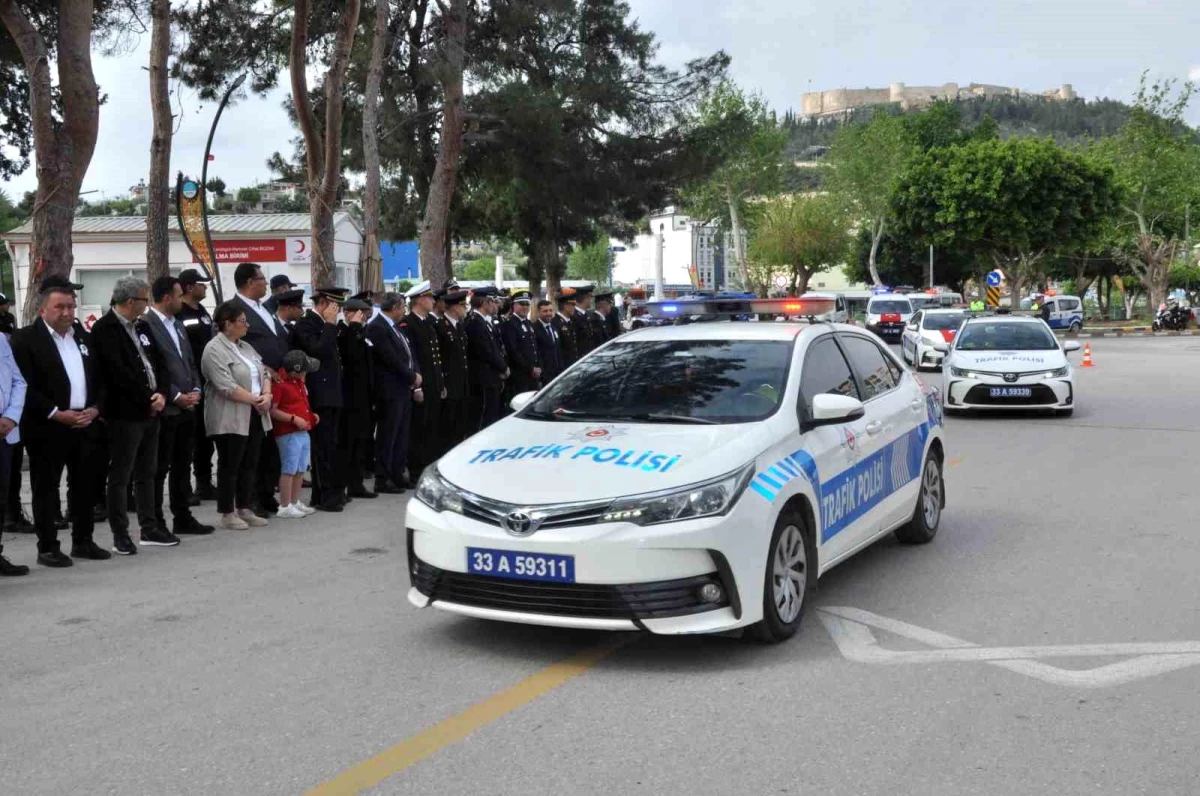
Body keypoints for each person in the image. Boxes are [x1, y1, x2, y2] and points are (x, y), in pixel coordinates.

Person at [10, 276, 107, 567]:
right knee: (46, 488)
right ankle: (48, 546)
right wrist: (55, 412)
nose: (66, 312)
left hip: (84, 422)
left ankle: (83, 540)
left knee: (84, 485)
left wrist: (95, 409)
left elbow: (100, 378)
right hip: (48, 425)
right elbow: (24, 384)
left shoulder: (82, 337)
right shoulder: (26, 339)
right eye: (59, 307)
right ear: (43, 310)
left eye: (70, 306)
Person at [91, 276, 173, 554]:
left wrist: (161, 393)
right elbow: (116, 373)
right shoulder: (105, 329)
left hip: (153, 410)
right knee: (121, 475)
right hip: (125, 413)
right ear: (129, 302)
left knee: (147, 472)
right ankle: (120, 533)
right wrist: (145, 399)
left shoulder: (144, 326)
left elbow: (160, 363)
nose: (147, 305)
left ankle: (149, 528)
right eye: (143, 300)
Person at [142, 275, 212, 538]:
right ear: (168, 297)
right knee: (161, 467)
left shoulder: (178, 324)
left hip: (188, 406)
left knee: (183, 464)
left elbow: (189, 360)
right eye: (178, 294)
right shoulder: (146, 324)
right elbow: (153, 366)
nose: (183, 299)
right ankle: (156, 521)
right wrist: (174, 395)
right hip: (167, 407)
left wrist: (195, 388)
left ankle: (183, 516)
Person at [201, 301, 273, 530]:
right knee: (230, 465)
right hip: (229, 415)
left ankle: (245, 507)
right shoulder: (214, 349)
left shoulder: (245, 347)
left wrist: (267, 395)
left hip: (255, 412)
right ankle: (227, 512)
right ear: (227, 324)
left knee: (250, 464)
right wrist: (255, 399)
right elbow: (225, 385)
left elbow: (264, 370)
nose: (247, 325)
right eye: (242, 321)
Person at [233, 262, 289, 515]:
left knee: (269, 446)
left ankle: (267, 493)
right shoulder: (234, 309)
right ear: (248, 282)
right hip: (253, 385)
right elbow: (236, 347)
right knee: (253, 448)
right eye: (261, 279)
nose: (266, 283)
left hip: (276, 383)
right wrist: (266, 367)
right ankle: (251, 497)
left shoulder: (265, 309)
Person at [292, 287, 347, 512]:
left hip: (332, 392)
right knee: (323, 446)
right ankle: (326, 494)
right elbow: (319, 350)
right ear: (324, 304)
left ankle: (328, 491)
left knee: (332, 444)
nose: (339, 311)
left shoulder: (325, 325)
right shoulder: (307, 324)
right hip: (319, 393)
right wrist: (330, 325)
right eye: (336, 306)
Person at [367, 292, 419, 492]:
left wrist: (414, 374)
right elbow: (390, 358)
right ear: (395, 307)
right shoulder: (378, 327)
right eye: (402, 307)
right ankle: (384, 477)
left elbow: (407, 353)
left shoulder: (395, 327)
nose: (403, 311)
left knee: (400, 434)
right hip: (389, 389)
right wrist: (411, 376)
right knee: (388, 435)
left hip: (402, 388)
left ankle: (397, 473)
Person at [177, 268, 216, 501]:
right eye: (202, 284)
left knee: (205, 436)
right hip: (188, 384)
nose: (206, 287)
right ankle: (184, 488)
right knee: (188, 439)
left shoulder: (202, 311)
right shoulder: (179, 312)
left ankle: (204, 481)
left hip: (206, 380)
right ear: (190, 287)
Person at [269, 349, 320, 519]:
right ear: (296, 370)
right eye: (304, 370)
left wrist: (310, 417)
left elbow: (301, 403)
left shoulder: (298, 382)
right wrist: (293, 419)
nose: (306, 373)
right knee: (289, 468)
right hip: (288, 432)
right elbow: (273, 411)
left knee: (300, 468)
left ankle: (294, 501)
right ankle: (285, 505)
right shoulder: (280, 384)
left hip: (303, 430)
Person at [401, 285, 445, 481]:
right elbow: (412, 358)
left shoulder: (428, 322)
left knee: (432, 427)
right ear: (419, 300)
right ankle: (416, 470)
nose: (433, 301)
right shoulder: (408, 324)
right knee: (418, 429)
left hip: (433, 384)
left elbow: (436, 358)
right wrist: (416, 387)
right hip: (420, 386)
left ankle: (428, 465)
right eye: (429, 297)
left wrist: (441, 382)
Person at [337, 297, 377, 499]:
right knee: (349, 442)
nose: (364, 317)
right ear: (349, 313)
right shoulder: (343, 332)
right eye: (361, 313)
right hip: (349, 396)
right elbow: (349, 354)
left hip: (364, 394)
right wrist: (353, 326)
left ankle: (356, 482)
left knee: (361, 440)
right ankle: (347, 483)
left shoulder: (362, 332)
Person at [0, 330, 27, 576]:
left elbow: (19, 381)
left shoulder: (1, 339)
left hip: (5, 432)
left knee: (1, 496)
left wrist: (10, 417)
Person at [465, 287, 508, 432]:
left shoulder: (483, 322)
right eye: (493, 301)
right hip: (482, 379)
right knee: (483, 420)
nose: (496, 305)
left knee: (491, 417)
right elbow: (486, 351)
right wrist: (503, 368)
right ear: (485, 303)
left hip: (491, 378)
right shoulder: (475, 322)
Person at [435, 290, 470, 453]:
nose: (466, 309)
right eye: (464, 306)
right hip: (449, 383)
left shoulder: (460, 326)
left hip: (462, 382)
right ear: (455, 307)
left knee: (461, 422)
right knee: (448, 424)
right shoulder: (440, 326)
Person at [501, 290, 540, 396]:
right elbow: (513, 351)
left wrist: (537, 366)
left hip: (533, 374)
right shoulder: (510, 325)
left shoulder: (528, 323)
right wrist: (530, 368)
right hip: (519, 375)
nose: (525, 307)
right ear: (514, 305)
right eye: (521, 304)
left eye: (527, 304)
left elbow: (534, 348)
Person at [533, 299, 564, 385]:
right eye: (545, 311)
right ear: (538, 312)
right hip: (545, 375)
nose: (549, 313)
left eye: (550, 310)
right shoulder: (534, 328)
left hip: (557, 372)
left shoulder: (554, 327)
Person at [552, 288, 579, 367]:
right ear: (565, 306)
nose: (575, 307)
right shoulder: (555, 322)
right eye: (572, 304)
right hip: (564, 365)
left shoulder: (571, 321)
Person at [572, 285, 596, 358]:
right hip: (581, 357)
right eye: (590, 298)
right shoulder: (574, 316)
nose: (591, 301)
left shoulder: (587, 314)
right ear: (586, 298)